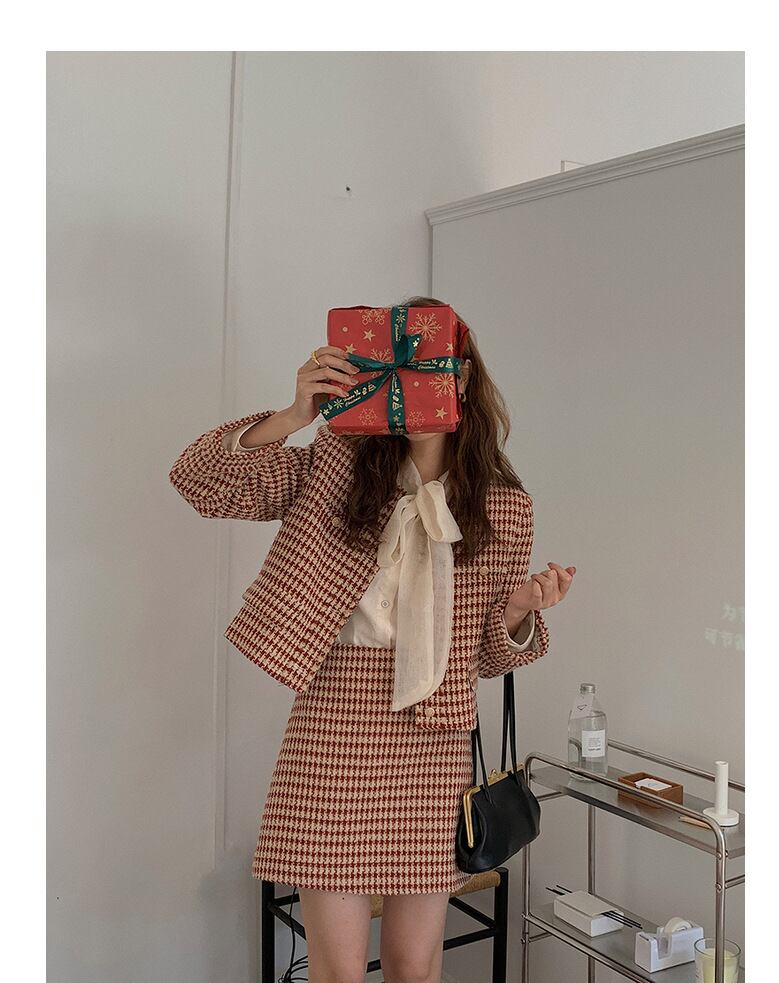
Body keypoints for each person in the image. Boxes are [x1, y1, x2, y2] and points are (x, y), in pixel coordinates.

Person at [169, 295, 575, 983]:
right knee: (337, 970)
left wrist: (517, 612)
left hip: (433, 738)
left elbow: (484, 657)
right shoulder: (335, 466)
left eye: (428, 367)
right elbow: (198, 480)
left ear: (462, 378)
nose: (413, 385)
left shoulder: (506, 507)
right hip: (333, 725)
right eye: (398, 369)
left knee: (415, 968)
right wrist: (296, 413)